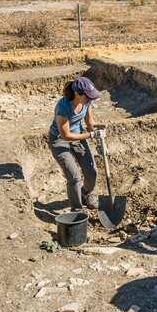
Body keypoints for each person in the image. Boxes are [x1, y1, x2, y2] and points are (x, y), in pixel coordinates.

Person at [48, 77, 106, 212]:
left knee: (91, 171)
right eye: (88, 97)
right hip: (59, 141)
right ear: (78, 94)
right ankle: (77, 210)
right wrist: (91, 135)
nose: (90, 99)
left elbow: (90, 124)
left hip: (78, 138)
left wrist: (99, 128)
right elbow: (66, 135)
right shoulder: (63, 107)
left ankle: (86, 194)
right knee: (74, 177)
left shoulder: (86, 102)